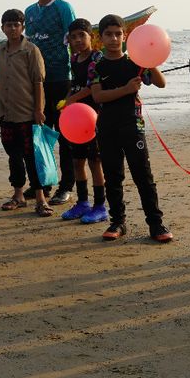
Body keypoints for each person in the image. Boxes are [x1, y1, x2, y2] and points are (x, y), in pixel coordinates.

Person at [89, 14, 172, 243]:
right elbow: (98, 96)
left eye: (118, 34)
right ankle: (118, 221)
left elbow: (161, 83)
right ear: (101, 38)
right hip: (107, 126)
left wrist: (149, 58)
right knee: (113, 176)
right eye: (109, 34)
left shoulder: (136, 62)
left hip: (133, 125)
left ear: (125, 36)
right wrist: (125, 90)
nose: (114, 39)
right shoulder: (97, 65)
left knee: (143, 175)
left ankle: (156, 223)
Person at [0, 9, 49, 215]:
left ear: (23, 27)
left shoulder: (31, 50)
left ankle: (40, 198)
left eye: (16, 24)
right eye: (8, 25)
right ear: (3, 28)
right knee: (13, 155)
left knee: (31, 156)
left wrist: (38, 110)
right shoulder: (0, 51)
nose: (12, 28)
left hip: (27, 112)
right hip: (6, 112)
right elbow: (1, 79)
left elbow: (38, 82)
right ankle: (18, 195)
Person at [24, 0, 77, 205]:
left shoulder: (63, 8)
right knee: (41, 135)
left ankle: (66, 186)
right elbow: (28, 47)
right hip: (37, 83)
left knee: (65, 136)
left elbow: (75, 41)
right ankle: (44, 183)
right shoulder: (29, 12)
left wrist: (77, 77)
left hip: (61, 79)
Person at [59, 18, 108, 224]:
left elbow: (91, 87)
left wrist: (72, 99)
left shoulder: (97, 58)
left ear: (91, 37)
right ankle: (82, 202)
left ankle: (100, 206)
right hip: (76, 120)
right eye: (73, 37)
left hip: (94, 117)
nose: (78, 40)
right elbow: (76, 85)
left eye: (82, 35)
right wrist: (67, 101)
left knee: (95, 161)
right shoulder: (74, 59)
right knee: (77, 161)